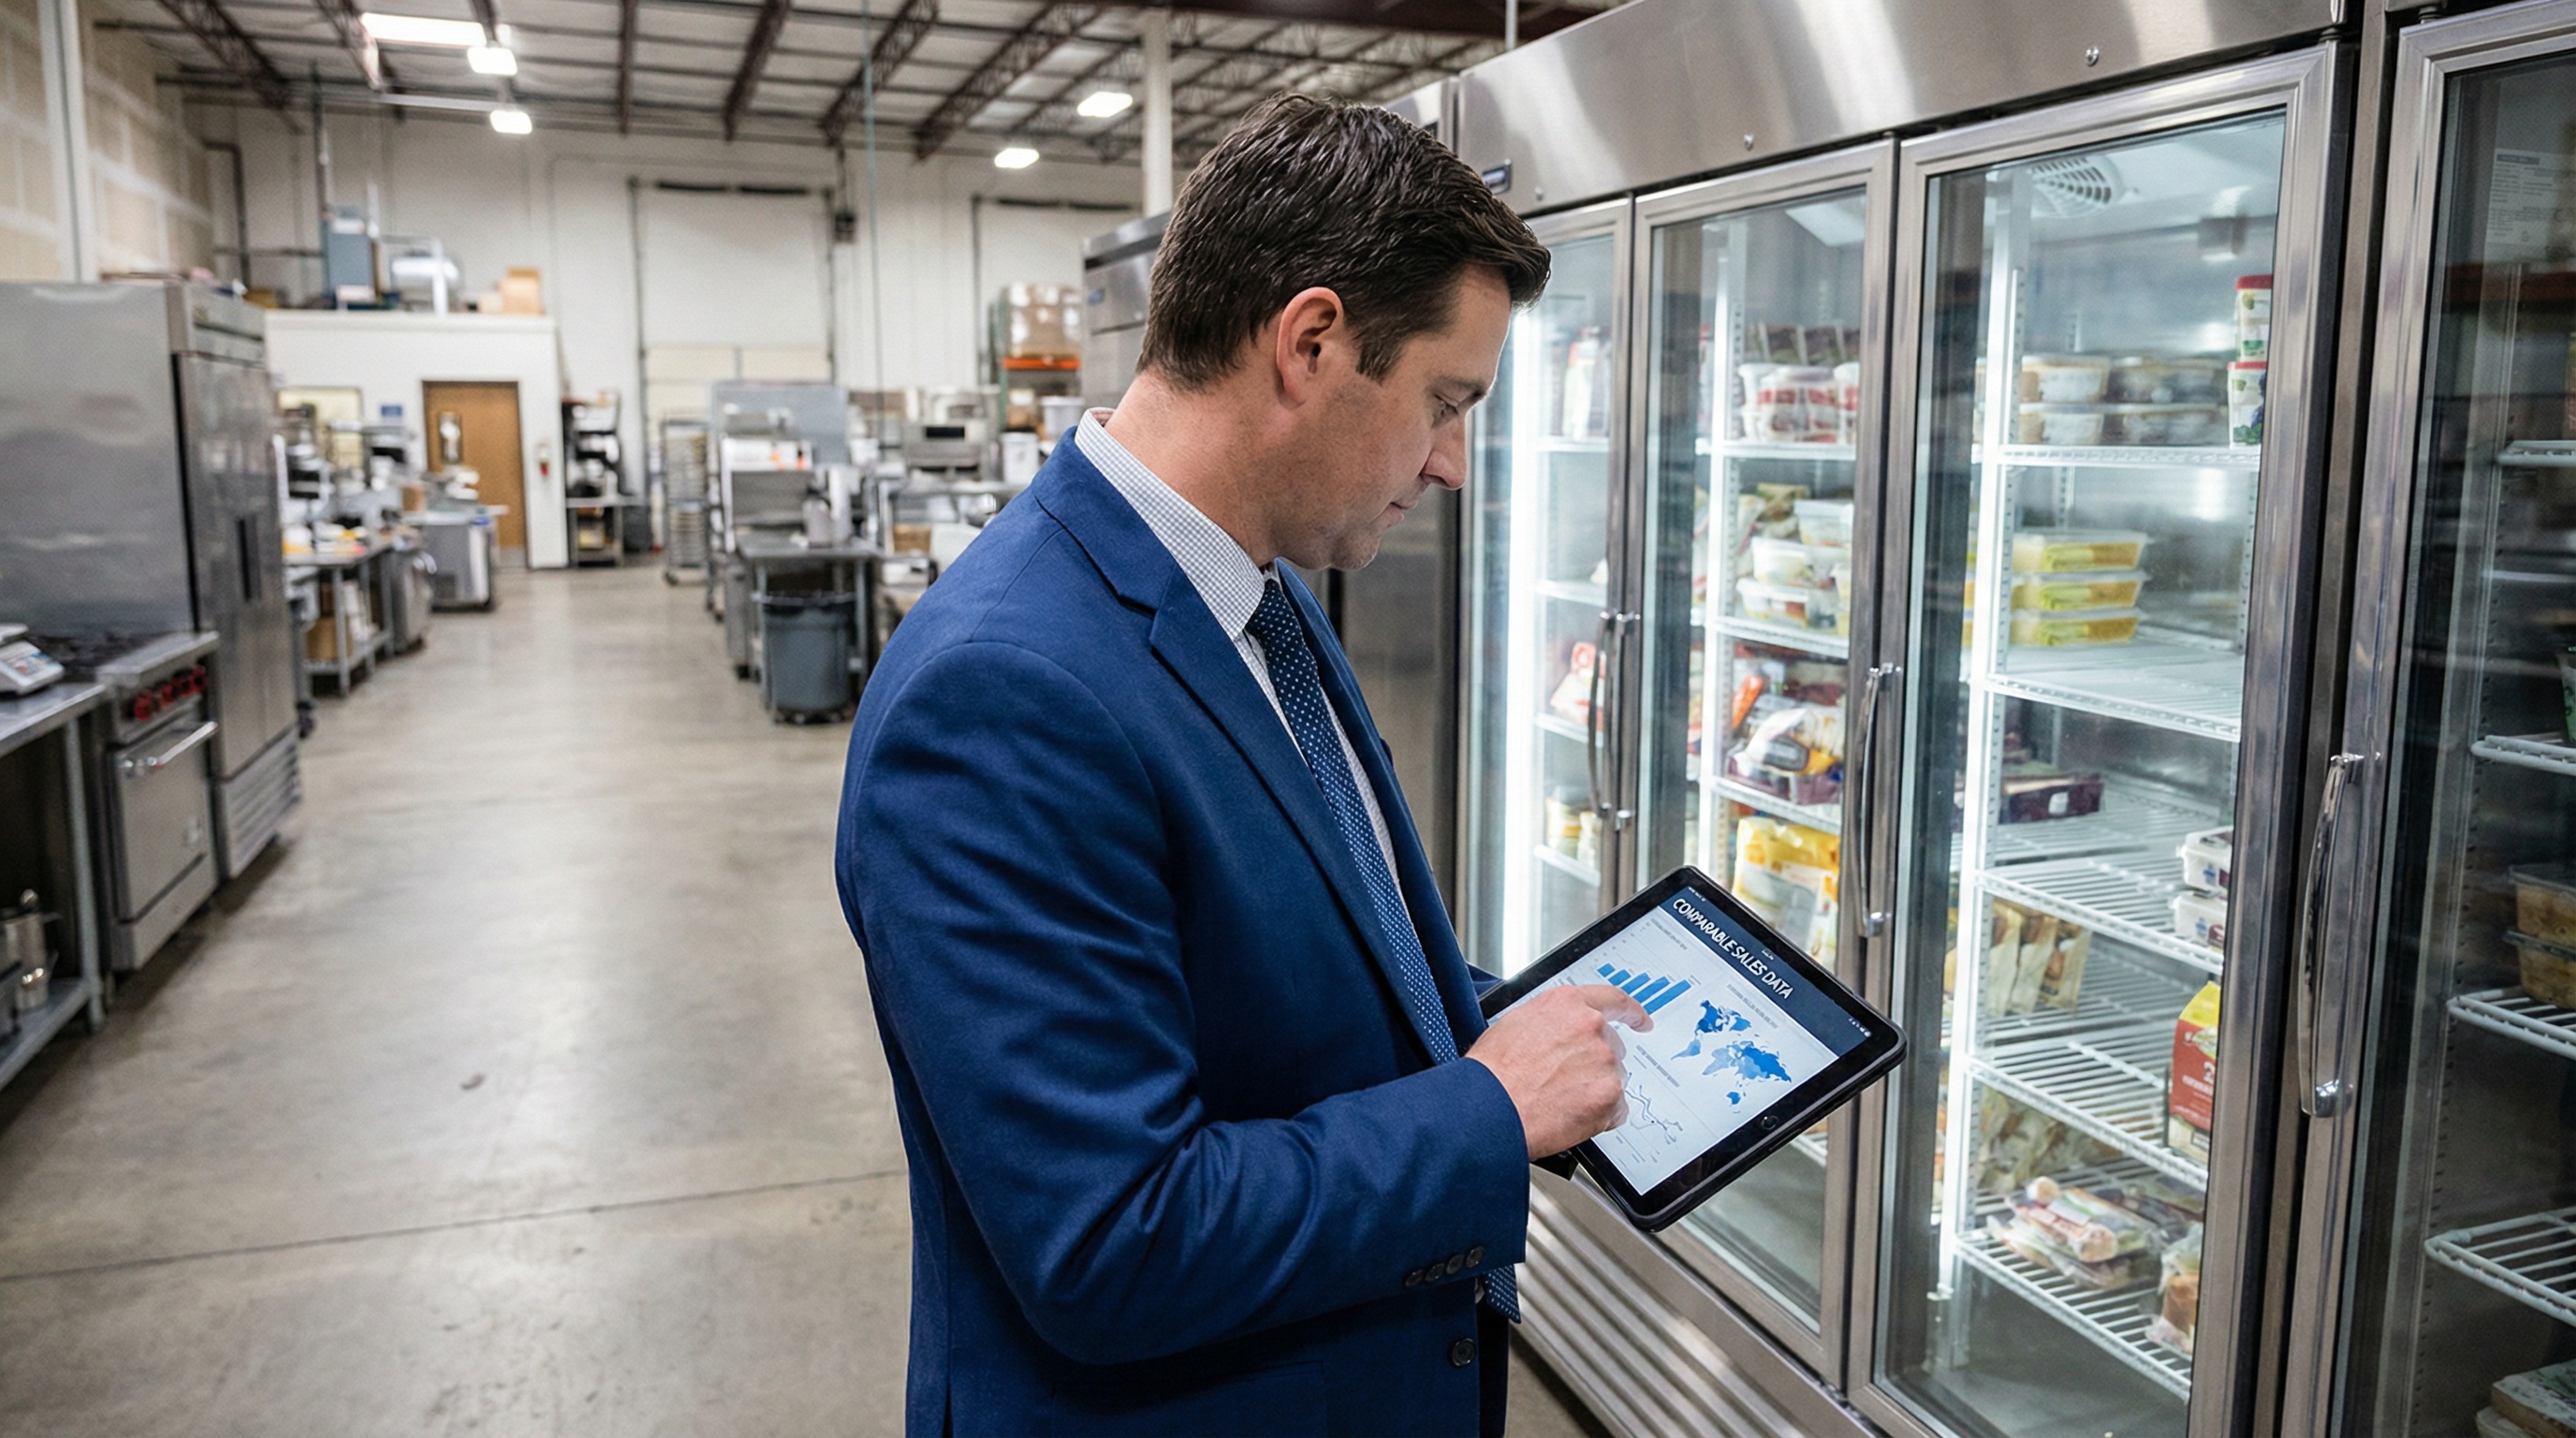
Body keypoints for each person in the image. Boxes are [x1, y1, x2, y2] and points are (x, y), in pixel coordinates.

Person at [836, 93, 1649, 1438]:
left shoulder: (1256, 596)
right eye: (1445, 403)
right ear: (1313, 341)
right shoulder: (1002, 695)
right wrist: (1488, 1113)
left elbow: (1287, 964)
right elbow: (1112, 1241)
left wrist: (1523, 1027)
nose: (1453, 464)